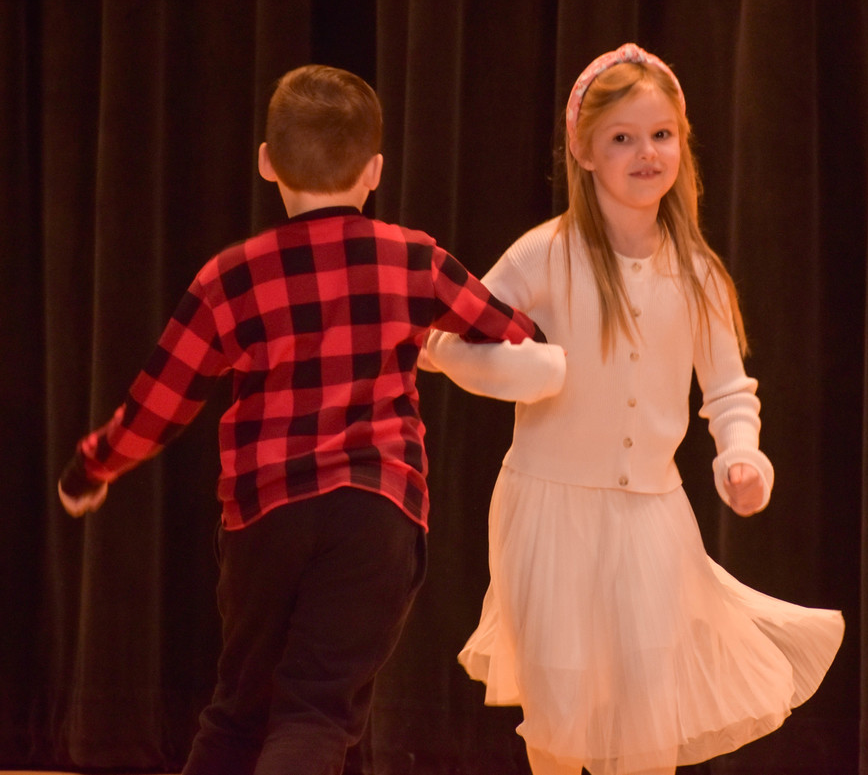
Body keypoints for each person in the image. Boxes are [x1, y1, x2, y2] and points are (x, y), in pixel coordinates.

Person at [57, 64, 551, 775]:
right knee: (317, 712)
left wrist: (90, 467)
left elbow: (159, 403)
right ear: (375, 169)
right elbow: (508, 331)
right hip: (376, 512)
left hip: (264, 519)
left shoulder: (231, 276)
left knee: (238, 714)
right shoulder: (414, 259)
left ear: (267, 163)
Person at [420, 43, 845, 775]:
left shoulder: (699, 270)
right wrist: (522, 369)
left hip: (653, 519)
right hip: (547, 512)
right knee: (560, 712)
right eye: (622, 137)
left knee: (646, 706)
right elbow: (442, 340)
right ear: (584, 149)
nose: (645, 153)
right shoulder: (543, 254)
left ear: (681, 141)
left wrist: (742, 456)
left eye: (661, 134)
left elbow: (727, 390)